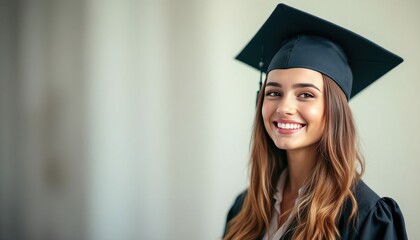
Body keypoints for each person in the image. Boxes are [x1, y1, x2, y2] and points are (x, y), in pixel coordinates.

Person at [223, 4, 408, 240]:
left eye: (306, 95)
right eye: (273, 92)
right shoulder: (245, 207)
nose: (284, 108)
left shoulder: (363, 217)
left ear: (334, 110)